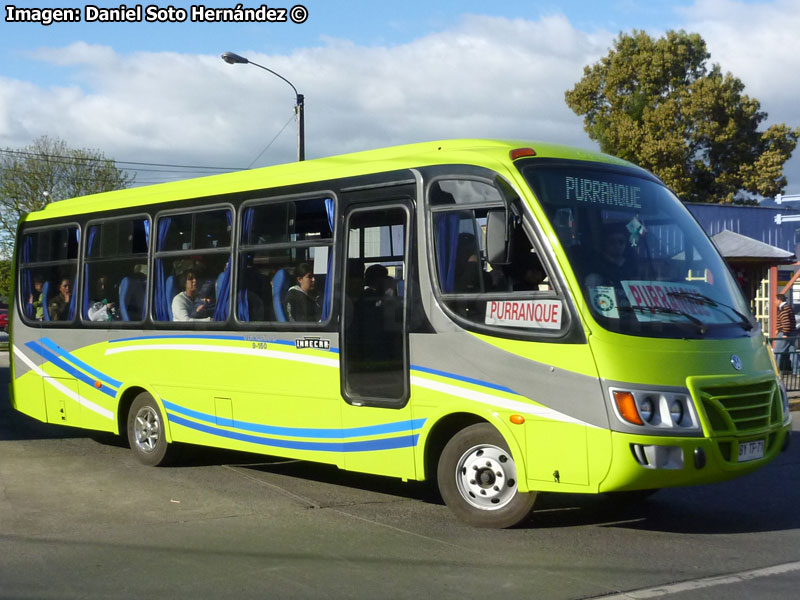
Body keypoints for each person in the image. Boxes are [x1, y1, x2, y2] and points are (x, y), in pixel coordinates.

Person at [774, 293, 797, 372]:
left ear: (779, 300)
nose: (774, 302)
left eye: (775, 300)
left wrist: (785, 334)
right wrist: (778, 328)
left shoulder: (783, 309)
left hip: (786, 333)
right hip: (793, 332)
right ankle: (797, 370)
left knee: (777, 351)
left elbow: (786, 322)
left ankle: (776, 371)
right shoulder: (788, 307)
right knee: (792, 352)